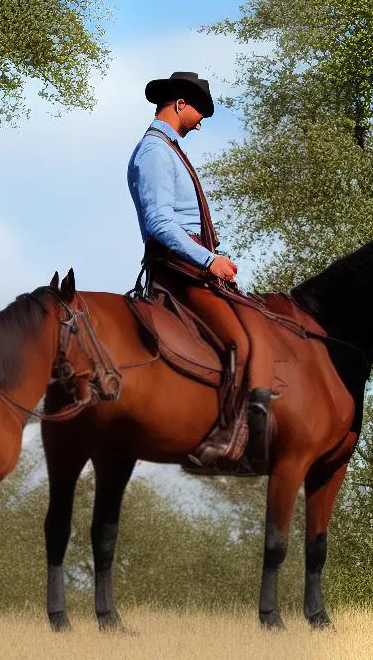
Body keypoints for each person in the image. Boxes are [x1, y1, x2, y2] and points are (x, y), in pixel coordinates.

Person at [126, 71, 273, 468]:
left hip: (190, 266)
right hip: (180, 272)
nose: (203, 121)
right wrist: (208, 259)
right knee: (242, 341)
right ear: (178, 104)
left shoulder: (169, 149)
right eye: (200, 112)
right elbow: (159, 222)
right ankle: (225, 438)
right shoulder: (156, 151)